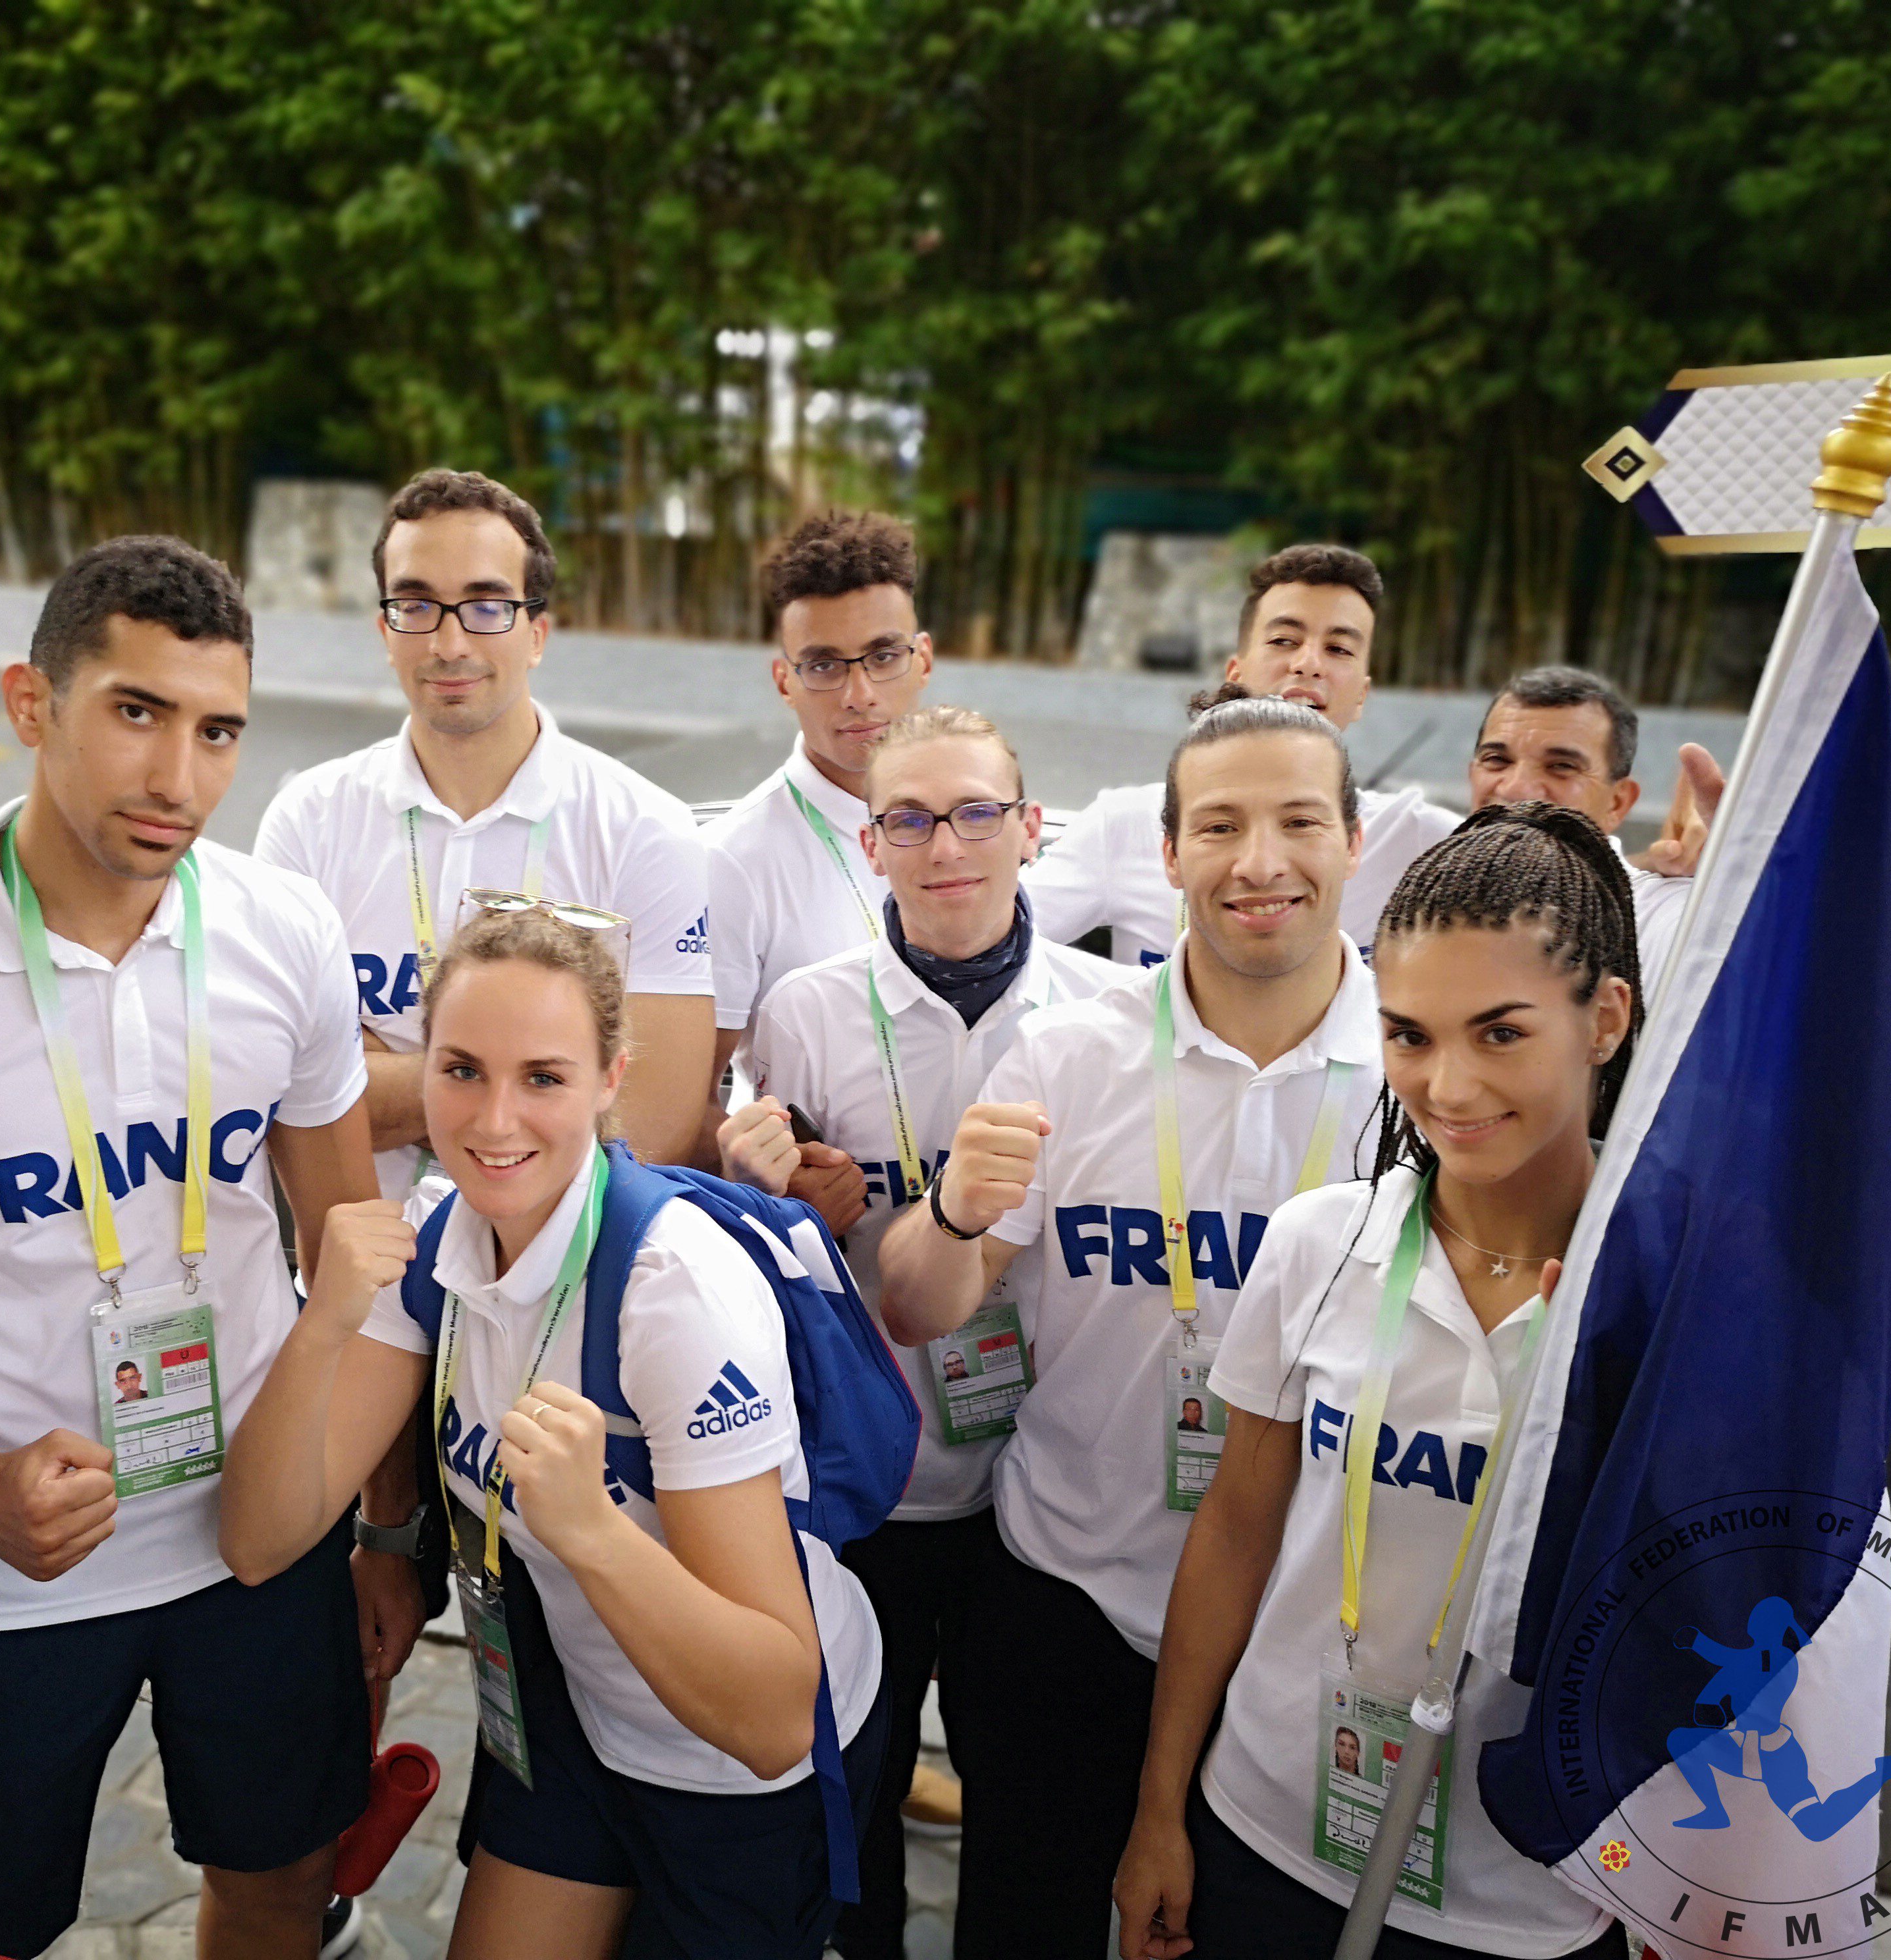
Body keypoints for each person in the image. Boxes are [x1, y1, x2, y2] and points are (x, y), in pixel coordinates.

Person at [0, 537, 392, 1960]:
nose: (178, 775)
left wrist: (384, 1527)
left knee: (278, 1886)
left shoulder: (284, 929)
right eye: (136, 712)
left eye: (217, 730)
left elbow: (355, 1255)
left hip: (260, 1543)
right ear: (30, 703)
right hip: (1, 1571)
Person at [216, 904, 887, 1959]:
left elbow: (770, 1719)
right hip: (576, 1712)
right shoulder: (439, 1236)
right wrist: (323, 1322)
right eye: (461, 1070)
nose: (495, 1121)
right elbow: (258, 1540)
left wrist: (594, 1532)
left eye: (543, 1077)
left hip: (737, 1779)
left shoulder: (672, 1293)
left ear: (610, 1079)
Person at [875, 691, 1385, 1958]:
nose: (1257, 861)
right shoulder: (1069, 1055)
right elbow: (919, 1307)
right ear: (1166, 854)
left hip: (1295, 1626)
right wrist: (951, 1212)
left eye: (1296, 822)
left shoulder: (1414, 1076)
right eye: (1217, 826)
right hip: (1066, 1594)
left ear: (1353, 841)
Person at [1111, 801, 1639, 1960]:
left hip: (1522, 1894)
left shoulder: (1657, 1293)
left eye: (1499, 1034)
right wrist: (1159, 1809)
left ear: (1602, 1020)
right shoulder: (1320, 1242)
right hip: (1262, 1826)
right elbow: (1235, 1533)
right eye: (1408, 1035)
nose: (1447, 1085)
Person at [714, 705, 1120, 1960]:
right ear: (870, 842)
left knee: (1030, 1814)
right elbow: (760, 1263)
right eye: (909, 819)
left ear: (1031, 829)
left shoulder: (1108, 1013)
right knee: (858, 1789)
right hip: (866, 1478)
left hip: (1033, 1490)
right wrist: (769, 1198)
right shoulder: (806, 1011)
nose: (945, 846)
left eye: (975, 813)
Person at [257, 469, 716, 1193]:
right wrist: (545, 1078)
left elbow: (654, 1127)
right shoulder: (307, 821)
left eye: (485, 607)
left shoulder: (646, 832)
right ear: (384, 631)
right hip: (367, 1252)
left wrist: (377, 1074)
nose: (448, 643)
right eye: (416, 605)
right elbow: (281, 1095)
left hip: (569, 1258)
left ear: (536, 634)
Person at [1024, 544, 1456, 963]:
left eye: (1339, 649)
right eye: (1284, 640)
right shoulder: (1123, 826)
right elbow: (1001, 942)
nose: (1309, 664)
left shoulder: (1418, 841)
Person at [699, 509, 935, 1143]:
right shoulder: (732, 861)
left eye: (883, 656)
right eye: (825, 665)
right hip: (812, 1198)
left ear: (923, 660)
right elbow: (684, 1101)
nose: (859, 693)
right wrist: (774, 1173)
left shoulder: (982, 825)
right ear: (786, 681)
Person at [1468, 665, 1715, 989]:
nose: (1516, 788)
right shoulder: (1420, 886)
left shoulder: (1665, 922)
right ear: (1472, 774)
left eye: (1561, 766)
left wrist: (1741, 872)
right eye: (1497, 760)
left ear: (1618, 803)